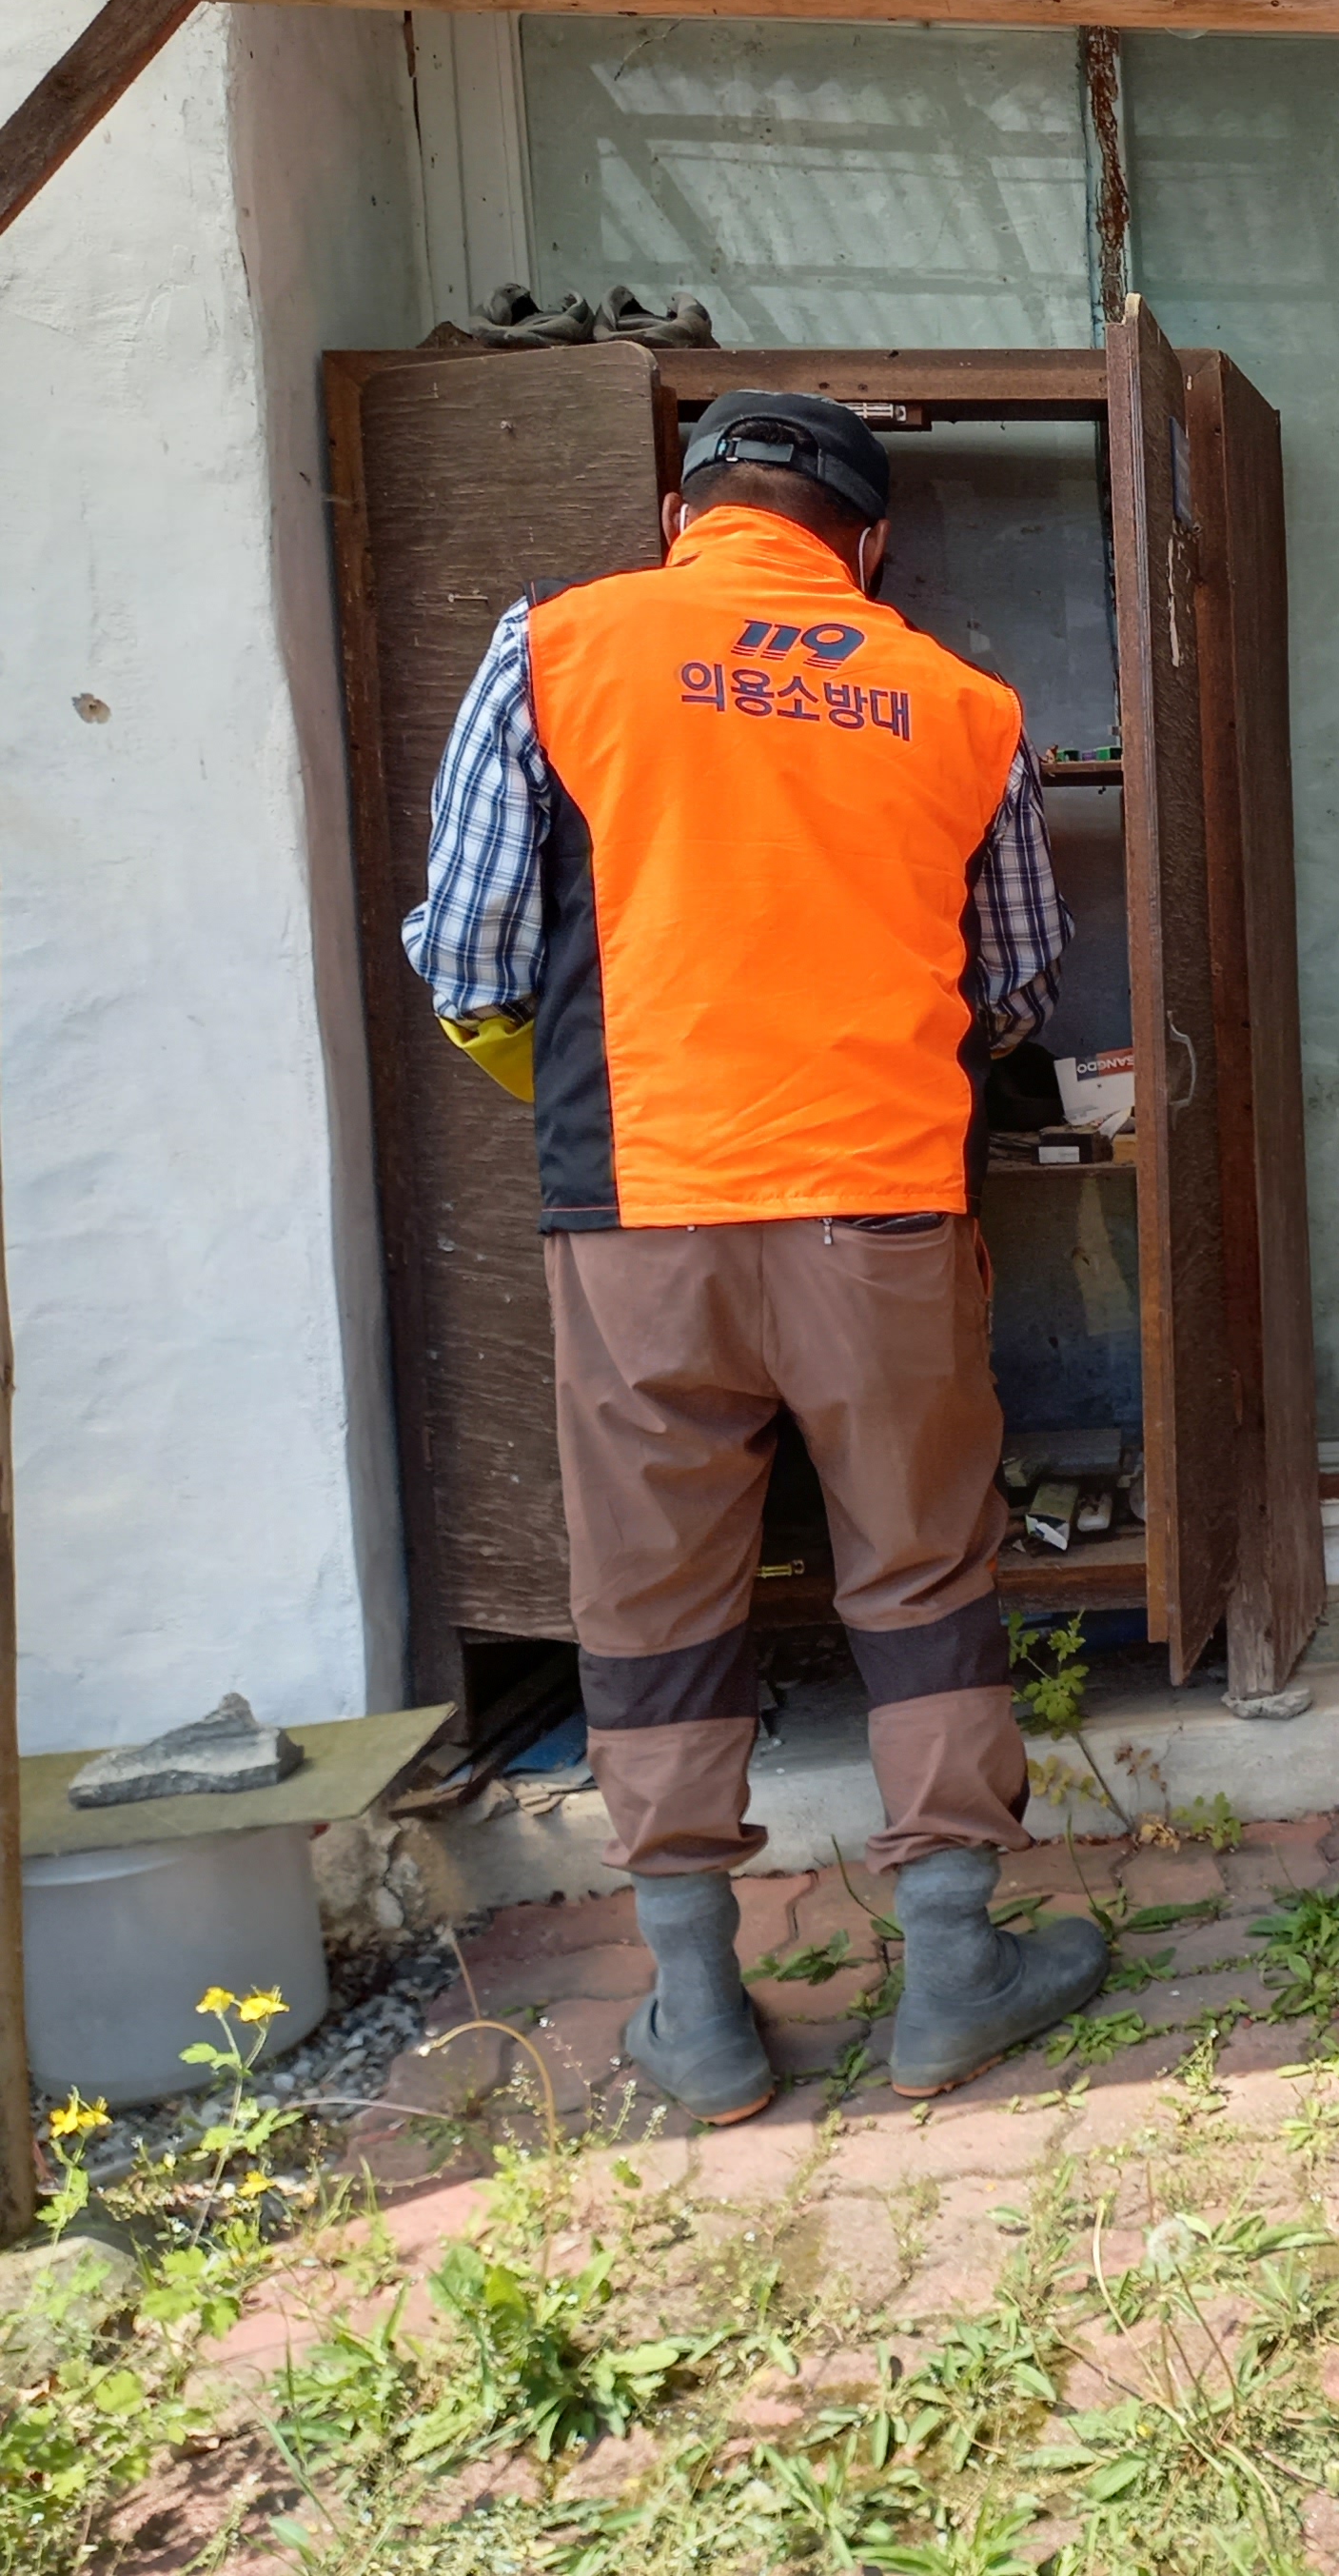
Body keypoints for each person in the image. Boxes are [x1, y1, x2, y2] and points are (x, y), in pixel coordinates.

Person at [403, 389, 1110, 2123]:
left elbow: (469, 957)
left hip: (640, 1205)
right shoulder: (960, 702)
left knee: (651, 1601)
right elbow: (1017, 980)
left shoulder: (558, 650)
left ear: (682, 516)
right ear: (871, 545)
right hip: (882, 1203)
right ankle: (954, 1967)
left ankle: (699, 2005)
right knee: (923, 1568)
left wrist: (590, 1078)